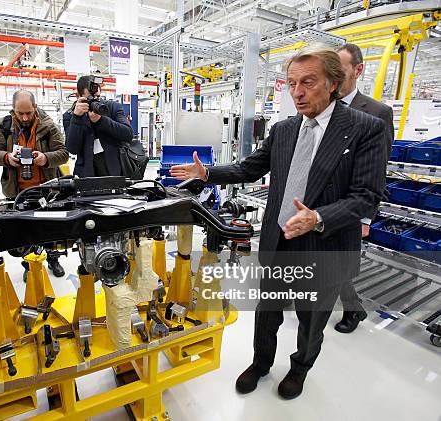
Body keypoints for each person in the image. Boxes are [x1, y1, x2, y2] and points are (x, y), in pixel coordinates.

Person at [170, 46, 387, 400]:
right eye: (291, 83)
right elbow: (250, 167)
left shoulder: (365, 129)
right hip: (279, 239)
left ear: (332, 83)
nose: (298, 92)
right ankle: (260, 363)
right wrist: (207, 173)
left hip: (325, 243)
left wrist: (318, 217)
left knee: (312, 317)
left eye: (308, 82)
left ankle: (300, 368)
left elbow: (366, 196)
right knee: (267, 310)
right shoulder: (285, 129)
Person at [334, 43, 395, 334]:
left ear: (358, 70)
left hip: (352, 204)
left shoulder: (377, 113)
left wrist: (365, 217)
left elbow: (376, 169)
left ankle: (353, 308)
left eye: (341, 72)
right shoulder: (323, 107)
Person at [0, 90, 69, 277]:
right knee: (25, 230)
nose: (25, 118)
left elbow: (63, 153)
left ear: (35, 107)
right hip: (17, 190)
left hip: (47, 189)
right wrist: (7, 157)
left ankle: (53, 258)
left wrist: (45, 158)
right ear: (13, 110)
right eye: (20, 113)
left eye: (29, 113)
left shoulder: (48, 126)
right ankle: (30, 264)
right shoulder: (4, 125)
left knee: (50, 228)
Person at [63, 75, 133, 177]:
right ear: (79, 96)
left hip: (114, 171)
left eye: (97, 97)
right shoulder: (70, 116)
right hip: (86, 175)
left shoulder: (112, 107)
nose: (95, 101)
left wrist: (101, 120)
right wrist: (77, 118)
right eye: (90, 98)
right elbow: (72, 149)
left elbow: (128, 134)